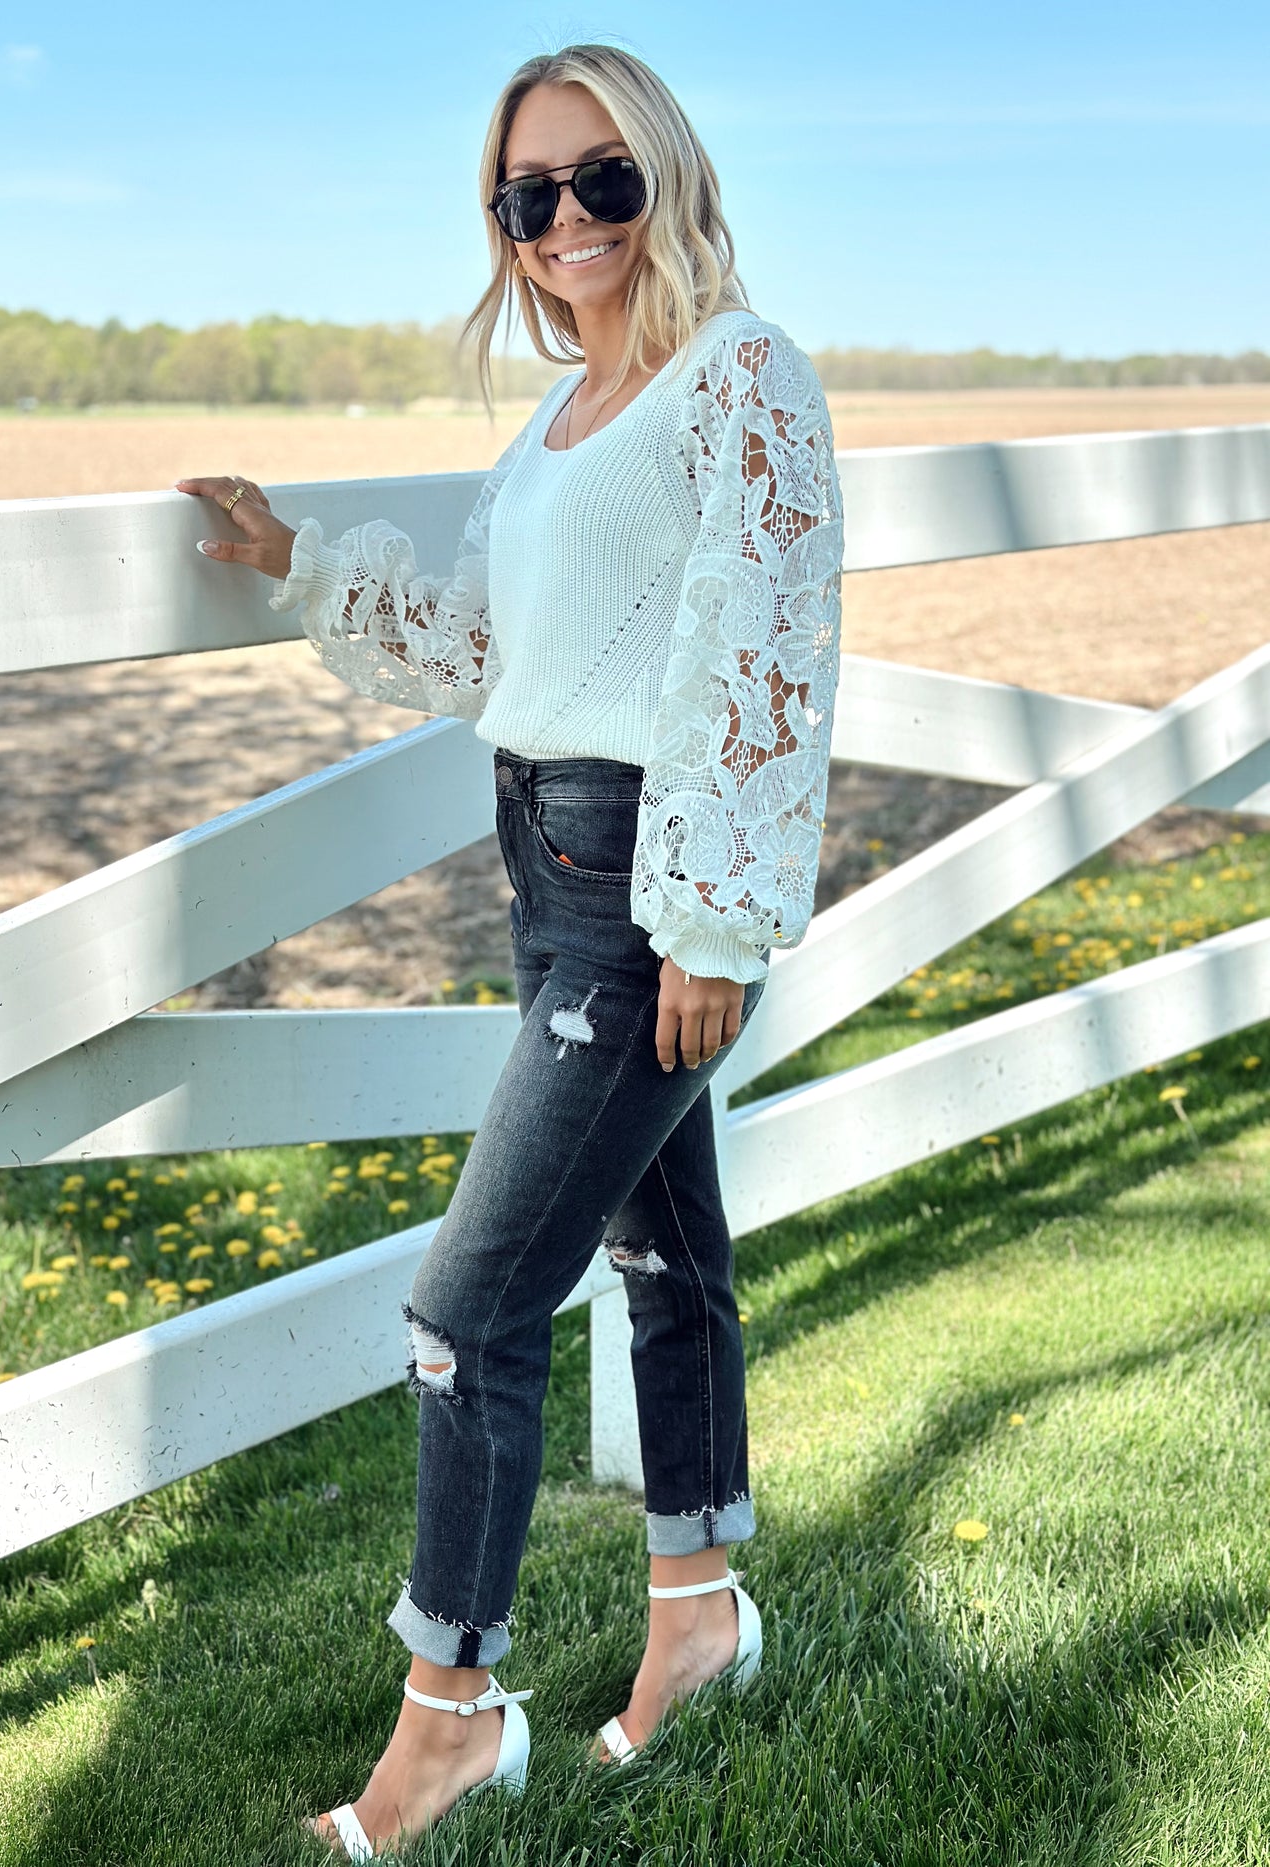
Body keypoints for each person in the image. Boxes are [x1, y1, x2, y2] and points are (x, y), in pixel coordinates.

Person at [177, 40, 843, 1861]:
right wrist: (302, 560)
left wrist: (708, 919)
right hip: (550, 862)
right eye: (526, 196)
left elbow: (760, 650)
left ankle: (453, 1716)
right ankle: (699, 1613)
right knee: (663, 1250)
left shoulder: (742, 377)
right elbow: (491, 649)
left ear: (670, 176)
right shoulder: (556, 426)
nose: (565, 222)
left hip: (647, 893)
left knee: (469, 1311)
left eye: (599, 179)